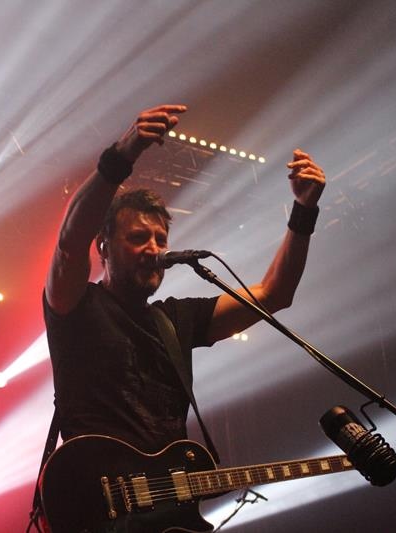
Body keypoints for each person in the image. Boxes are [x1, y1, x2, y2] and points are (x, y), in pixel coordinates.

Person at [43, 104, 326, 456]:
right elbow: (69, 243)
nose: (154, 249)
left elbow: (273, 294)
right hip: (95, 487)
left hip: (170, 487)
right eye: (137, 238)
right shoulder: (77, 305)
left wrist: (304, 211)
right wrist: (120, 156)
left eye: (160, 239)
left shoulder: (175, 320)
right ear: (104, 246)